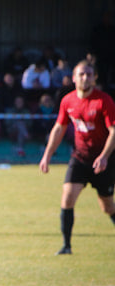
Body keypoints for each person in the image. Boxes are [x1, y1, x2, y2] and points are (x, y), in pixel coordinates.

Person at [39, 61, 115, 255]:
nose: (85, 78)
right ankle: (66, 246)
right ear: (73, 78)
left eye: (89, 74)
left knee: (107, 206)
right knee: (67, 198)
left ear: (94, 77)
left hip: (102, 160)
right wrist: (47, 156)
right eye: (81, 74)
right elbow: (59, 128)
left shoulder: (103, 101)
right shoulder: (68, 101)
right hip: (80, 157)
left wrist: (105, 156)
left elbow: (113, 131)